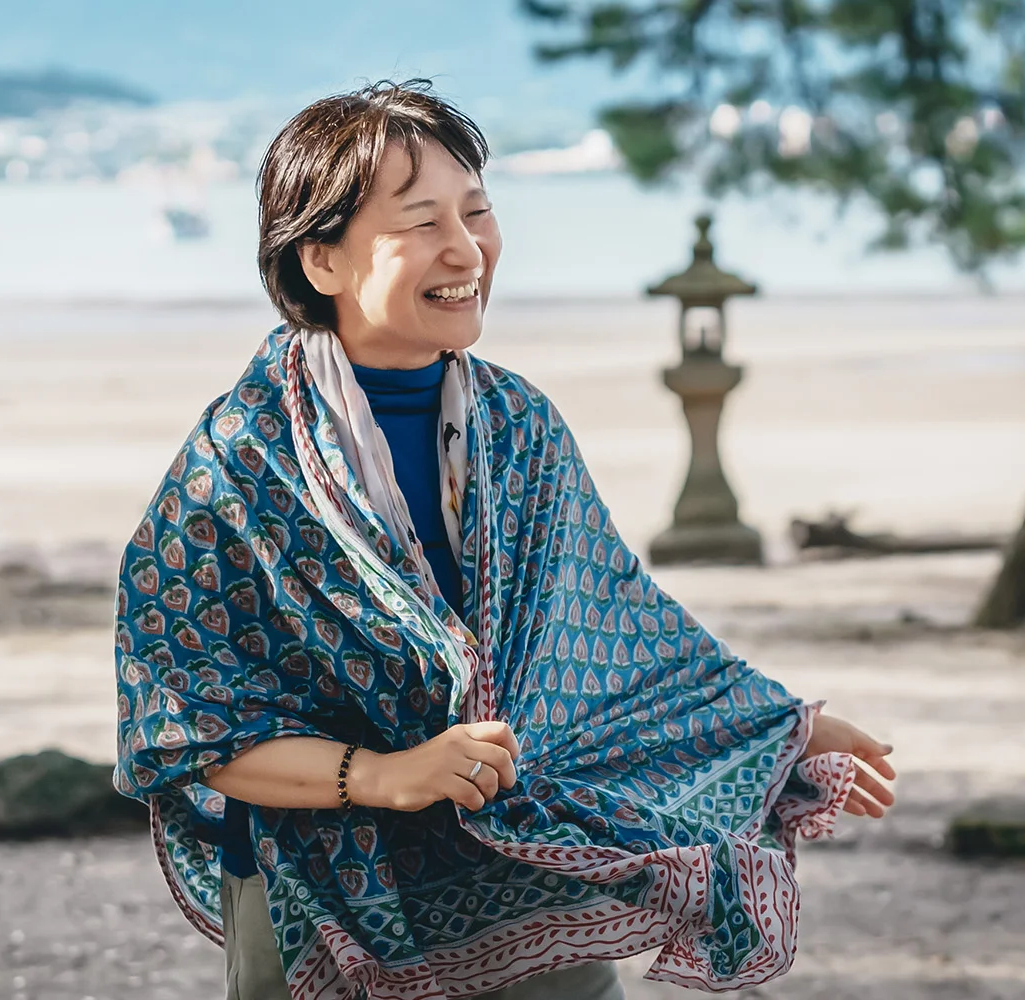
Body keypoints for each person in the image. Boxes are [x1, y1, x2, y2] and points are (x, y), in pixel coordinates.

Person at [112, 79, 898, 1000]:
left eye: (477, 212)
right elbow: (187, 725)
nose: (466, 249)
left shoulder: (518, 424)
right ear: (321, 260)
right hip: (317, 895)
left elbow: (617, 634)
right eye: (422, 222)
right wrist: (386, 775)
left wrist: (774, 728)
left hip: (530, 870)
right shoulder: (239, 464)